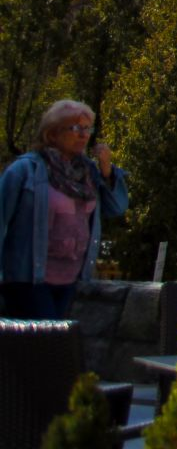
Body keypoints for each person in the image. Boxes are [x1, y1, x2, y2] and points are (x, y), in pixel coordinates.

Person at [0, 99, 130, 320]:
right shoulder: (25, 170)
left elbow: (116, 208)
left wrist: (107, 172)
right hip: (28, 278)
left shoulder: (88, 172)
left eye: (87, 128)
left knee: (50, 346)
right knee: (45, 345)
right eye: (76, 128)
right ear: (52, 134)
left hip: (71, 280)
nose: (83, 135)